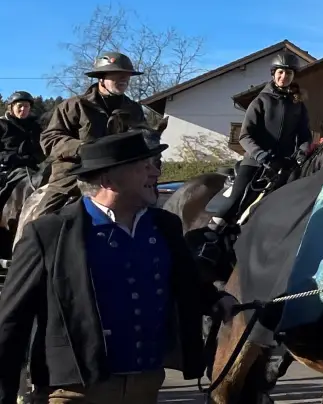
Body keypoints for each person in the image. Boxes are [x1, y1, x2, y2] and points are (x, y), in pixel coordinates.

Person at [0, 130, 238, 404]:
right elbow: (12, 320)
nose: (155, 173)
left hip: (146, 384)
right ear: (108, 180)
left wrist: (216, 300)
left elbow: (184, 280)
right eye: (143, 167)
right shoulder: (49, 233)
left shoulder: (165, 226)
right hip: (73, 391)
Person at [31, 53, 157, 220]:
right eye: (117, 75)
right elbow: (50, 138)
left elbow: (142, 141)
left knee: (154, 213)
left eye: (127, 76)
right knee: (41, 219)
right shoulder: (74, 105)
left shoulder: (134, 109)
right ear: (101, 78)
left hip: (121, 174)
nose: (124, 79)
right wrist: (83, 149)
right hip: (74, 175)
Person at [205, 52, 312, 233]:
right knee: (237, 198)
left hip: (284, 163)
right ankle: (211, 234)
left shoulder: (298, 104)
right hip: (256, 161)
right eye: (280, 72)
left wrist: (302, 152)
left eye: (288, 73)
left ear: (293, 76)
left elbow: (304, 135)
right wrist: (262, 155)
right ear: (273, 74)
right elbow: (245, 136)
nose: (284, 76)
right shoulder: (260, 101)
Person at [0, 91, 44, 173]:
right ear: (11, 107)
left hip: (35, 167)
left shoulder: (36, 126)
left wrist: (35, 158)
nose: (23, 109)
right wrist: (12, 158)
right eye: (19, 106)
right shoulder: (2, 124)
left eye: (26, 106)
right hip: (8, 168)